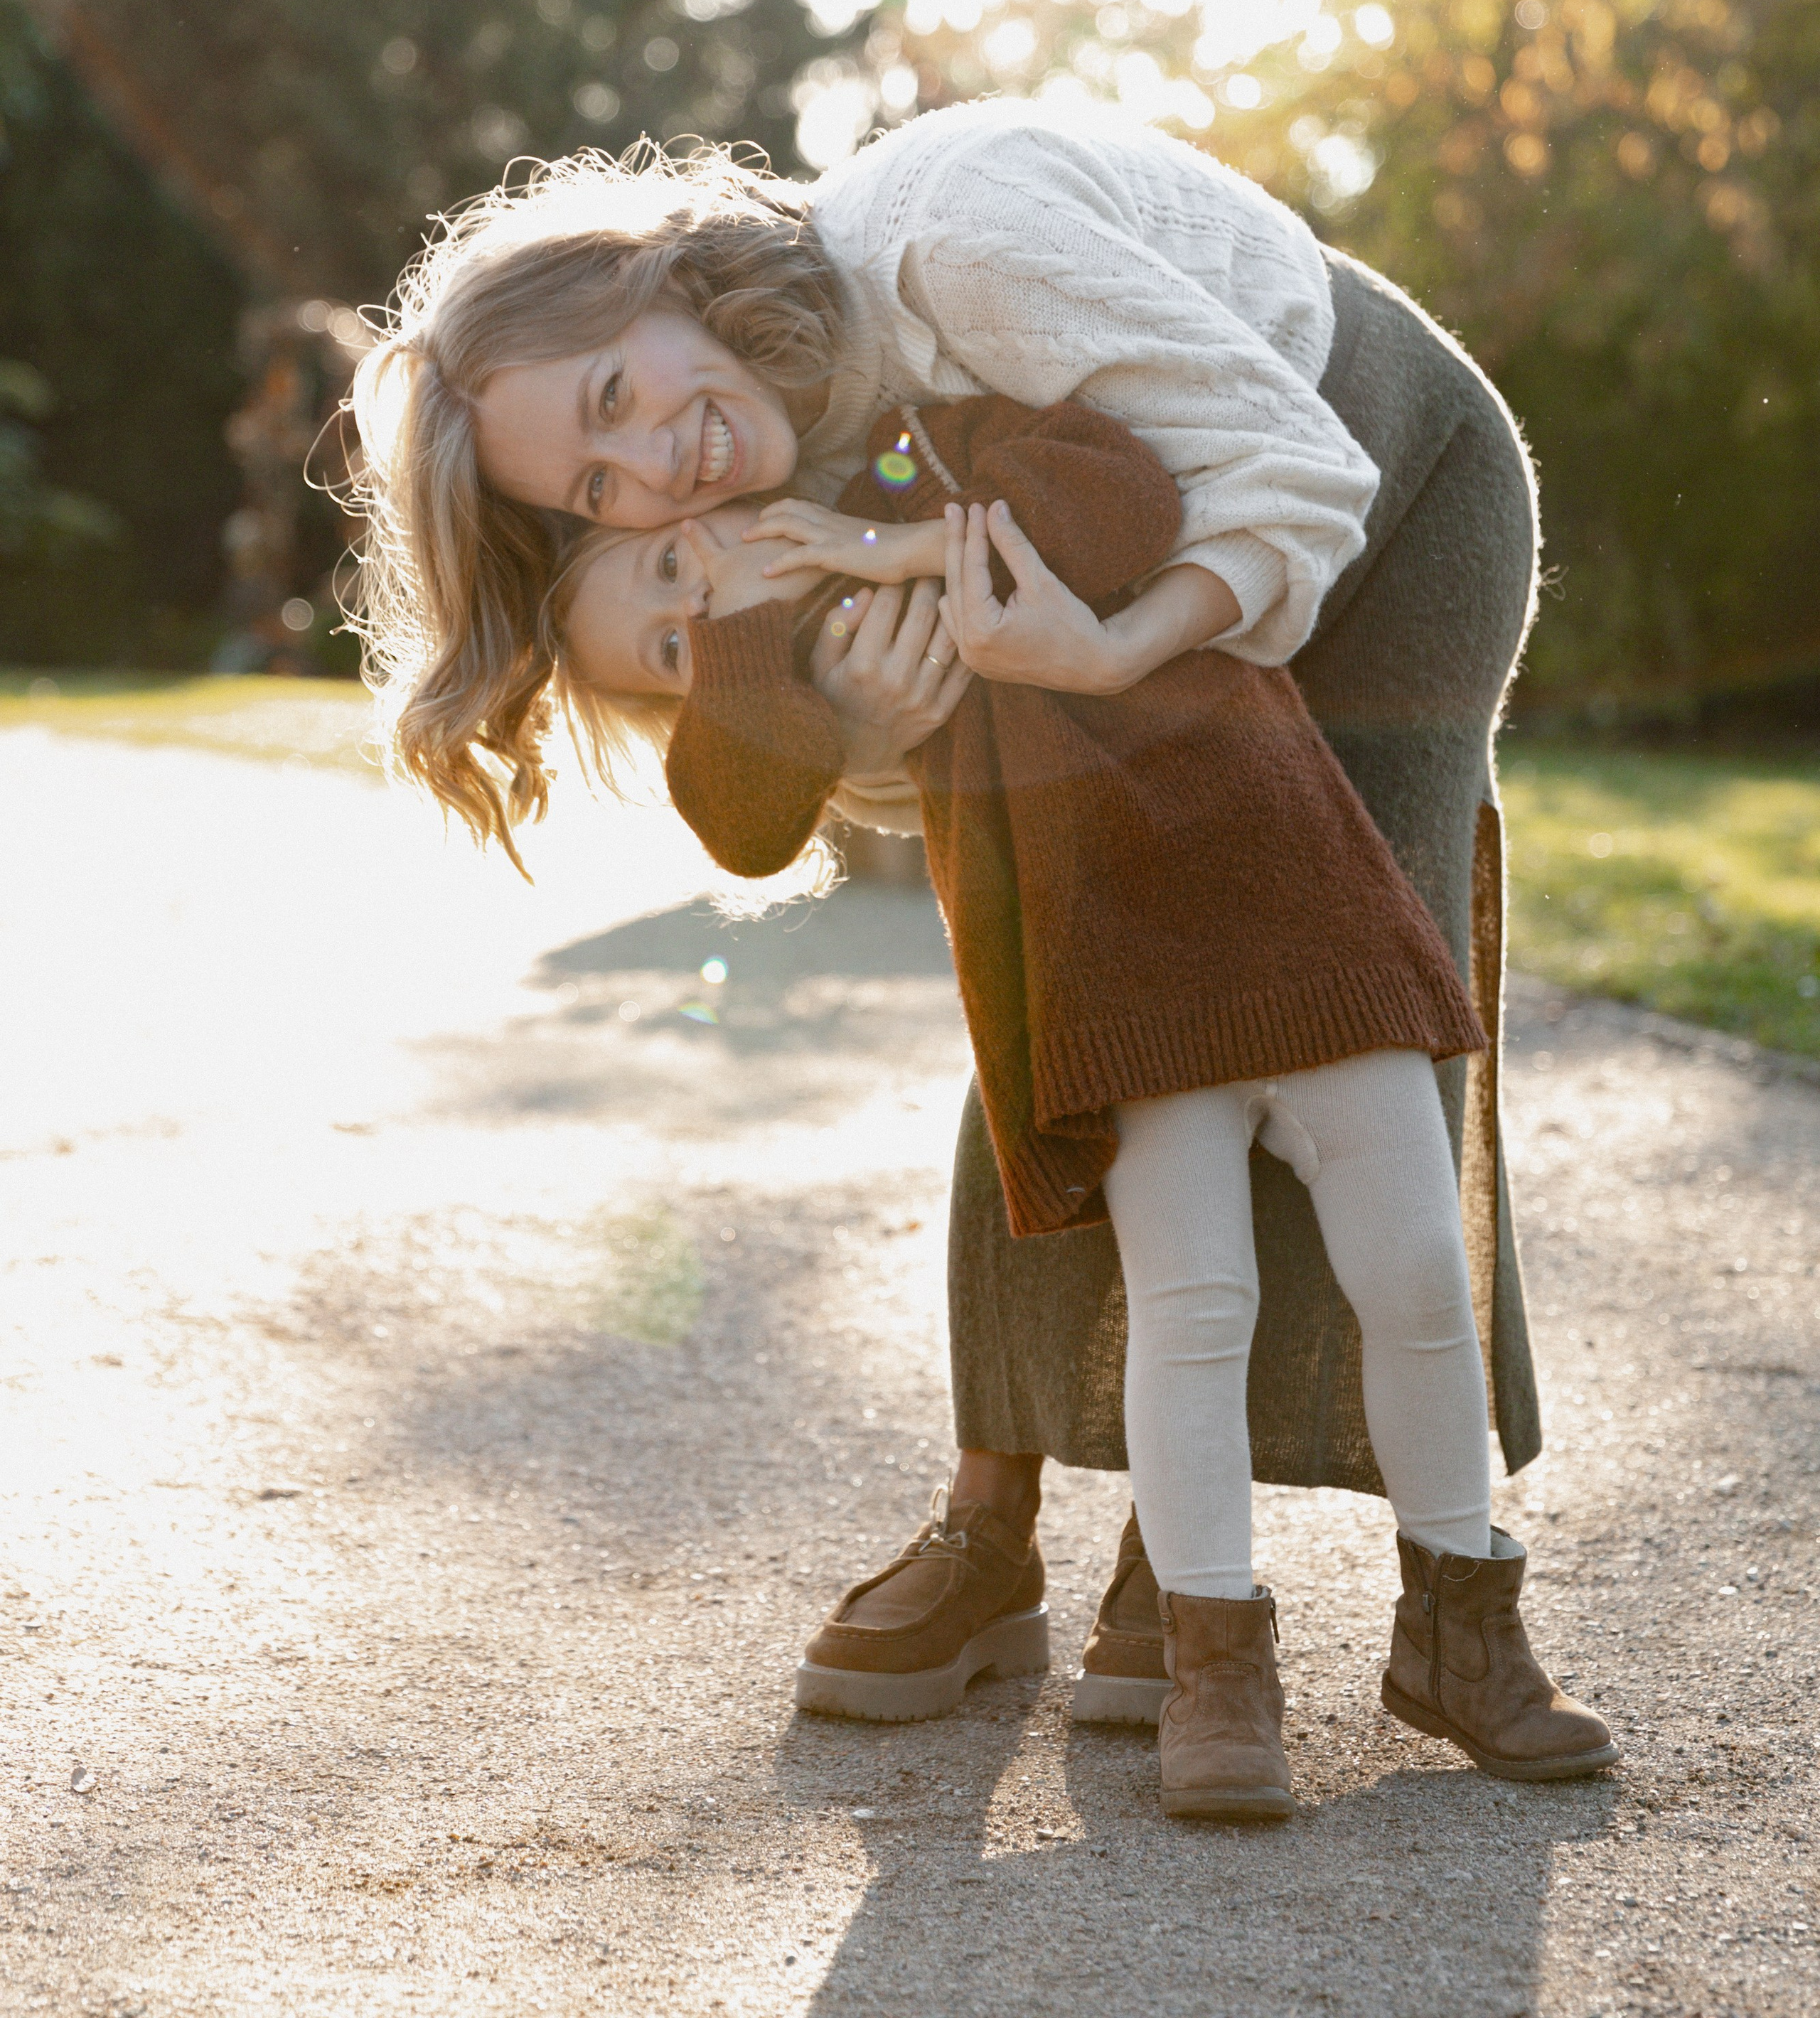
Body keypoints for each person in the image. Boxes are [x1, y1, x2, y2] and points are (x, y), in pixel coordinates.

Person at [348, 99, 1573, 1784]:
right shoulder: (784, 446)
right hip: (1118, 546)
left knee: (1339, 989)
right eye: (597, 483)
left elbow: (1291, 466)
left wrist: (1107, 646)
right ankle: (990, 1523)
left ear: (653, 280)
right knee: (1053, 979)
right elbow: (790, 762)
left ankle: (1245, 1555)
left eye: (616, 397)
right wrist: (844, 700)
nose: (656, 469)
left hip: (1374, 476)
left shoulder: (949, 233)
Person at [540, 385, 1612, 1814]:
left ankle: (1463, 1640)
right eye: (668, 643)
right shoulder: (809, 682)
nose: (708, 595)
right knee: (1189, 1306)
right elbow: (737, 817)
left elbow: (1121, 498)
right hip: (1126, 990)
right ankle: (1212, 1674)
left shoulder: (908, 452)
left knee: (1417, 1267)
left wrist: (875, 541)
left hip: (1302, 900)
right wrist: (743, 625)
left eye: (680, 562)